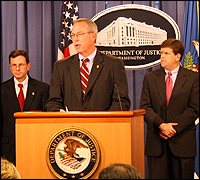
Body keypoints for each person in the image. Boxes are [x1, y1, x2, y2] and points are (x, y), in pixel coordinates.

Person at [140, 38, 199, 179]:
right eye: (161, 53)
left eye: (166, 53)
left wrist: (173, 129)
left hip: (182, 142)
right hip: (157, 143)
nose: (162, 56)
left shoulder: (193, 78)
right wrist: (161, 125)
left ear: (177, 57)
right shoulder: (150, 78)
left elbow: (194, 108)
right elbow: (145, 107)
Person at [46, 18, 130, 111]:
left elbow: (121, 102)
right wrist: (59, 112)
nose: (75, 39)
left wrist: (106, 121)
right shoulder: (61, 67)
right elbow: (53, 102)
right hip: (71, 124)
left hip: (103, 124)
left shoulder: (113, 65)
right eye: (73, 35)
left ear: (93, 36)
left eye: (79, 34)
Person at [1, 50, 50, 165]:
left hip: (35, 146)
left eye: (21, 65)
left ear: (28, 66)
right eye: (14, 65)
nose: (17, 69)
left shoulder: (42, 89)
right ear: (10, 67)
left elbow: (46, 120)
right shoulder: (2, 90)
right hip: (8, 150)